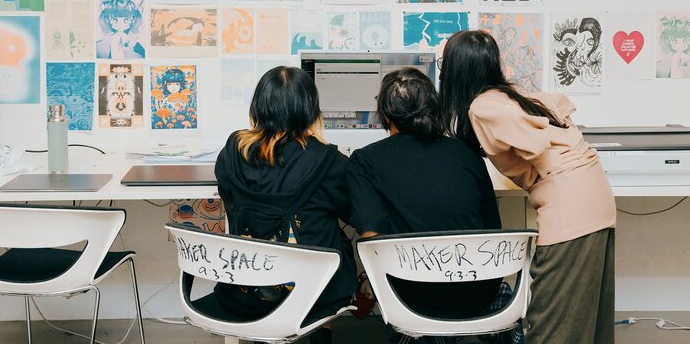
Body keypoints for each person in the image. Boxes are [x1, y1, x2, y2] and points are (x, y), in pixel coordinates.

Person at [439, 30, 616, 344]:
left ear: (454, 73)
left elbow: (534, 146)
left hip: (569, 206)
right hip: (594, 195)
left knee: (552, 320)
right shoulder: (510, 95)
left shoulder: (482, 107)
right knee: (587, 315)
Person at [347, 68, 523, 344]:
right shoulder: (468, 155)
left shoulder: (364, 161)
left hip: (413, 301)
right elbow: (492, 228)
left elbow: (372, 241)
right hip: (477, 293)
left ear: (385, 115)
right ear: (434, 109)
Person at [214, 66, 355, 344]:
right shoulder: (329, 160)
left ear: (258, 107)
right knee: (335, 239)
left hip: (246, 285)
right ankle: (319, 333)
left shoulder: (232, 151)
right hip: (315, 293)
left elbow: (228, 193)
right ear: (311, 109)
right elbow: (353, 212)